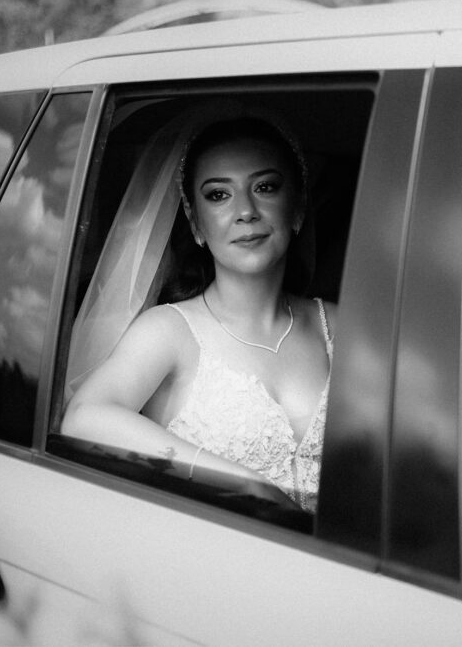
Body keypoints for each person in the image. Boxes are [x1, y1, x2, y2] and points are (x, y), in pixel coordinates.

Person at [63, 114, 333, 515]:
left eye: (265, 187)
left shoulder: (342, 327)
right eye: (219, 195)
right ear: (196, 225)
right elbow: (84, 418)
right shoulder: (168, 331)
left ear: (296, 208)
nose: (246, 211)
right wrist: (249, 486)